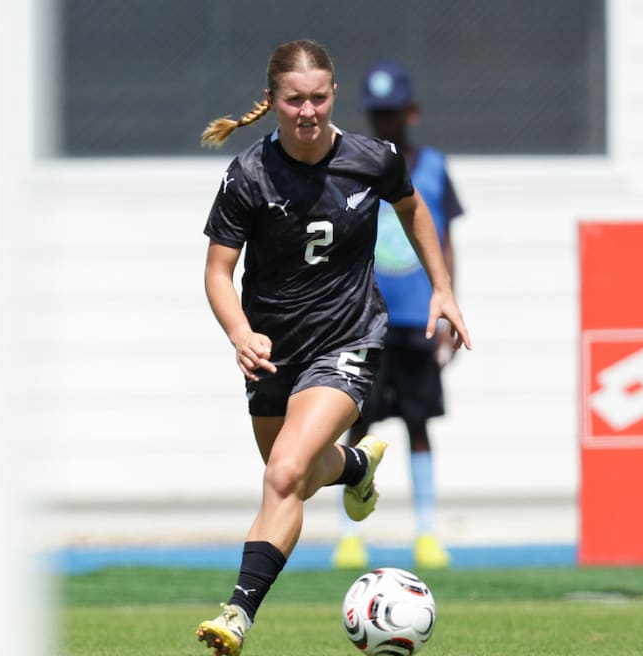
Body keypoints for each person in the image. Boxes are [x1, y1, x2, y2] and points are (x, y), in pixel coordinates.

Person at [195, 39, 471, 656]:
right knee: (293, 474)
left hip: (348, 339)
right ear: (274, 101)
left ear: (333, 96)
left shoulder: (372, 159)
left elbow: (413, 208)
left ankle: (238, 614)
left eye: (319, 97)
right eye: (294, 100)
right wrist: (240, 331)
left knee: (285, 473)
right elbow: (218, 272)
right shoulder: (248, 174)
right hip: (272, 348)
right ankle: (355, 466)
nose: (308, 111)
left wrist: (443, 288)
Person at [332, 59, 465, 572]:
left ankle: (426, 531)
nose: (386, 123)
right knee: (354, 420)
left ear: (411, 112)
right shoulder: (355, 164)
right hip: (364, 318)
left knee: (419, 422)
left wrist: (448, 304)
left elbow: (446, 241)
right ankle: (349, 535)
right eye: (377, 114)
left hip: (418, 321)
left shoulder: (431, 166)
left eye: (393, 113)